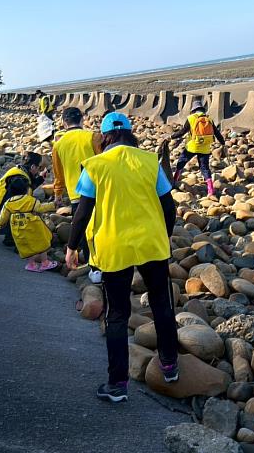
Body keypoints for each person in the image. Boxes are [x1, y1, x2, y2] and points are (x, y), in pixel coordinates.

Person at [65, 112, 179, 403]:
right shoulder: (150, 162)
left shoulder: (95, 165)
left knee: (117, 315)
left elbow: (83, 211)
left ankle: (117, 385)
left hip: (113, 247)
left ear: (105, 136)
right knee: (161, 304)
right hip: (151, 244)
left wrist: (72, 246)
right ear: (130, 132)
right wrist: (164, 234)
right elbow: (169, 206)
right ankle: (169, 366)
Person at [51, 106, 101, 268]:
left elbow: (58, 173)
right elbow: (105, 161)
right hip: (99, 190)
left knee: (84, 229)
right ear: (82, 120)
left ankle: (90, 264)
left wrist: (58, 193)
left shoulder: (58, 145)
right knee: (100, 227)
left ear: (64, 123)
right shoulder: (93, 137)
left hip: (76, 194)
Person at [0, 175, 59, 272]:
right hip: (33, 227)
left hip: (18, 228)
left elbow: (3, 217)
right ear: (25, 190)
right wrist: (53, 205)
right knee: (42, 243)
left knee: (27, 246)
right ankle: (45, 263)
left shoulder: (8, 203)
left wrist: (0, 224)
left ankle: (31, 264)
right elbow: (40, 208)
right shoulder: (30, 200)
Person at [0, 152, 47, 247]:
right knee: (29, 213)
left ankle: (10, 238)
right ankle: (19, 244)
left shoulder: (17, 171)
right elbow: (21, 191)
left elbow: (28, 186)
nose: (39, 170)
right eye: (39, 167)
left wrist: (41, 178)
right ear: (33, 166)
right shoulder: (19, 180)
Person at [170, 100, 226, 196]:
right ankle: (210, 190)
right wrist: (223, 143)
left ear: (193, 110)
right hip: (205, 148)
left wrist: (172, 137)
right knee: (204, 168)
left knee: (181, 162)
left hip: (192, 146)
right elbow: (217, 133)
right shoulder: (209, 119)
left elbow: (183, 131)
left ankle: (174, 181)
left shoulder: (191, 118)